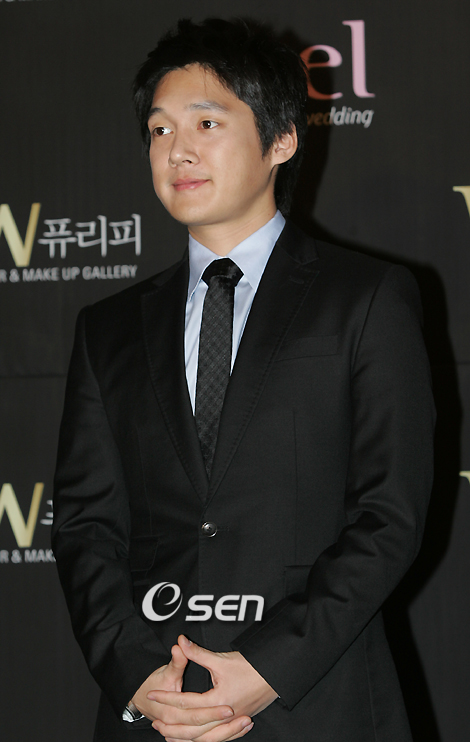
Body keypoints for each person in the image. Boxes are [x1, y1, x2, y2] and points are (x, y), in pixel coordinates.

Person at [52, 17, 435, 742]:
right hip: (158, 712)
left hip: (319, 706)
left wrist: (268, 668)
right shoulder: (108, 329)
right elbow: (85, 527)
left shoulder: (366, 299)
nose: (178, 149)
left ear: (282, 138)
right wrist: (136, 675)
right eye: (160, 130)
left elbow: (391, 514)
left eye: (206, 123)